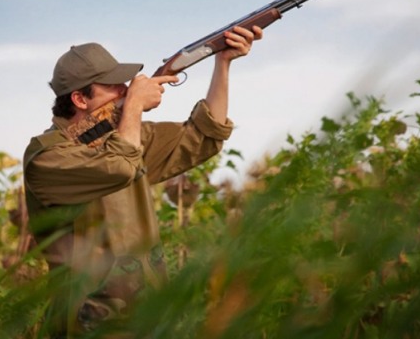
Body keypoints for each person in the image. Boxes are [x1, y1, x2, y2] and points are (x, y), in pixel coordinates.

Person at [23, 25, 263, 337]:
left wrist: (223, 62)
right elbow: (120, 165)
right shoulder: (48, 158)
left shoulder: (126, 138)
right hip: (88, 324)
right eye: (114, 86)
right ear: (81, 99)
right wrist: (134, 106)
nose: (126, 89)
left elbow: (203, 136)